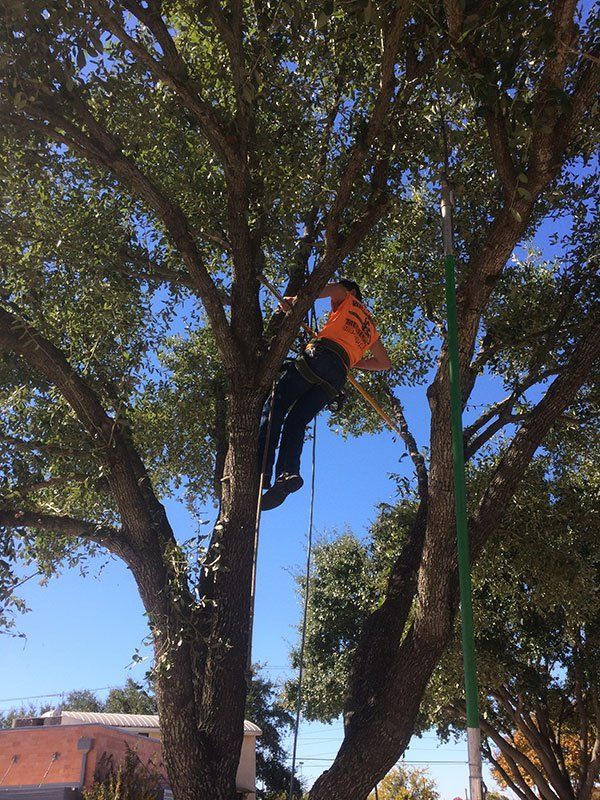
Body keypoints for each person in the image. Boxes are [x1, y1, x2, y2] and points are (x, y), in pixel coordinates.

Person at [258, 278, 392, 511]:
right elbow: (384, 363)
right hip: (338, 374)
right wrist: (352, 360)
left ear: (351, 291)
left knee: (277, 403)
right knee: (297, 421)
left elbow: (320, 289)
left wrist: (295, 303)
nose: (331, 304)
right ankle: (287, 474)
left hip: (320, 356)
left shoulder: (346, 296)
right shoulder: (369, 326)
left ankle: (261, 466)